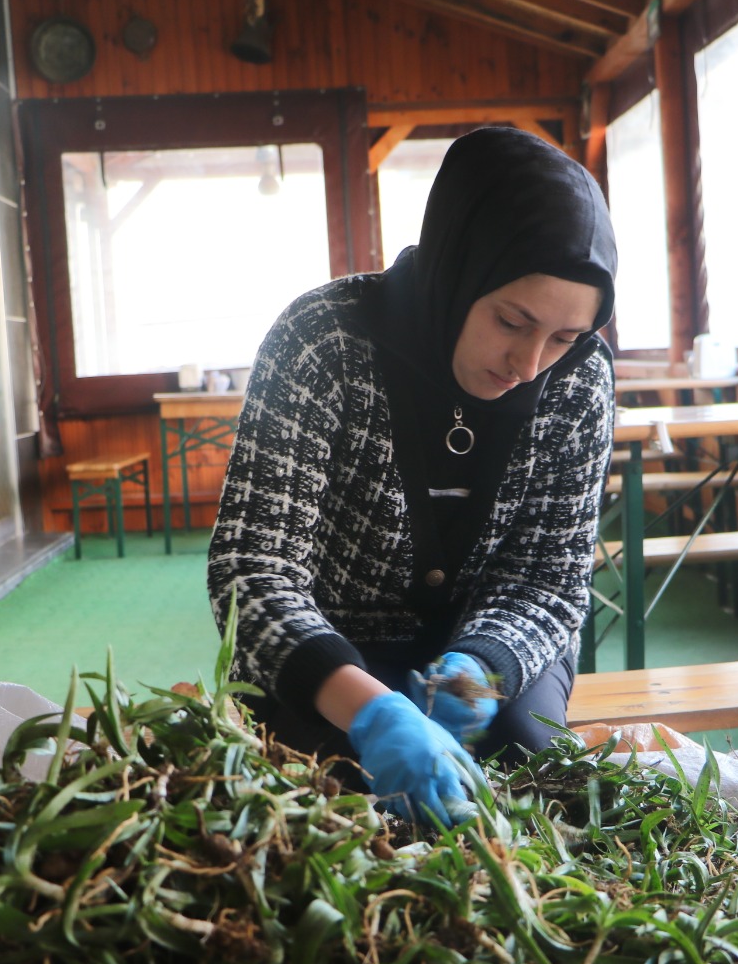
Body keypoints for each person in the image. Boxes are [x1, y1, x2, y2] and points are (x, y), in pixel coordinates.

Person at [207, 127, 618, 825]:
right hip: (332, 646)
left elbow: (548, 578)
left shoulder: (577, 384)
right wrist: (371, 710)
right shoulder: (322, 342)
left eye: (563, 338)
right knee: (325, 805)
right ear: (457, 271)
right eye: (511, 321)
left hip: (493, 660)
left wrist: (474, 673)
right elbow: (253, 568)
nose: (528, 363)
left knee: (531, 792)